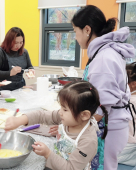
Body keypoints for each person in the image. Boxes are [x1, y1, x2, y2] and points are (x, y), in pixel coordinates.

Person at [72, 5, 135, 170]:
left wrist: (74, 127)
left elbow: (102, 106)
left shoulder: (103, 58)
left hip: (108, 128)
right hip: (114, 124)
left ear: (87, 30)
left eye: (75, 31)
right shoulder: (104, 52)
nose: (75, 37)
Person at [5, 81, 108, 170]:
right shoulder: (68, 119)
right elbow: (42, 115)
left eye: (65, 109)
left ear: (84, 115)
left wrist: (47, 154)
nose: (60, 112)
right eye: (61, 108)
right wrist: (19, 120)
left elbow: (71, 168)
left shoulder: (88, 141)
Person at [0, 27, 35, 91]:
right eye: (15, 43)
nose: (18, 46)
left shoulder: (24, 52)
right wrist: (10, 73)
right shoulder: (0, 52)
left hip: (20, 86)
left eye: (21, 42)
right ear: (9, 41)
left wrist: (31, 70)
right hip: (5, 89)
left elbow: (29, 66)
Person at [118, 63, 136, 167]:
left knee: (108, 157)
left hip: (130, 141)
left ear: (133, 84)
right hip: (130, 139)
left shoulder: (130, 101)